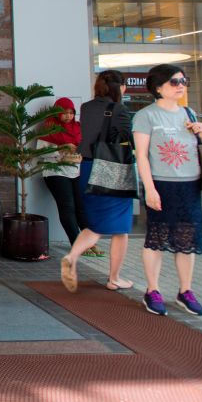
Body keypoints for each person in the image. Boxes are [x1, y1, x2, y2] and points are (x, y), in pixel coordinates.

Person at [133, 63, 202, 316]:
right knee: (156, 238)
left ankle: (185, 291)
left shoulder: (189, 113)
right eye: (174, 82)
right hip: (161, 184)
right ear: (158, 87)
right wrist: (150, 189)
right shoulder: (146, 116)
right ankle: (152, 290)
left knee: (187, 239)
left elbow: (200, 147)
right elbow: (141, 156)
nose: (181, 86)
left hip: (190, 185)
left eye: (183, 81)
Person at [60, 70, 134, 293]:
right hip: (111, 169)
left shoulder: (86, 107)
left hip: (86, 167)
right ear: (118, 87)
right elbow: (128, 138)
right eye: (124, 86)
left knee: (95, 224)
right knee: (121, 228)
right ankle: (114, 278)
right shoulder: (118, 109)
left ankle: (72, 256)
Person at [38, 98, 92, 253]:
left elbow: (85, 146)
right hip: (55, 171)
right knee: (67, 206)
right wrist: (61, 148)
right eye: (64, 112)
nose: (68, 116)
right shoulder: (49, 128)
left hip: (74, 170)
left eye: (71, 112)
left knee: (81, 207)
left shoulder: (78, 128)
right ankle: (76, 243)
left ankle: (88, 242)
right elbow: (41, 152)